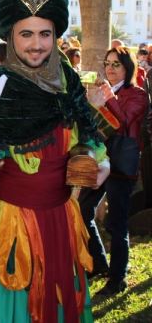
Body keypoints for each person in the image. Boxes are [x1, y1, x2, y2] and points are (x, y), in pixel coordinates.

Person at [0, 0, 110, 321]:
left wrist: (96, 160)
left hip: (61, 221)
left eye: (45, 34)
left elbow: (87, 135)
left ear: (55, 35)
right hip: (11, 227)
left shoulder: (66, 79)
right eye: (26, 34)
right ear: (10, 36)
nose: (36, 45)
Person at [79, 47, 147, 295]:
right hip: (97, 160)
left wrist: (107, 99)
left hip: (120, 164)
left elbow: (125, 122)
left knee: (117, 222)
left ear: (128, 67)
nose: (109, 68)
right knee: (83, 209)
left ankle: (118, 277)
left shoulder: (137, 94)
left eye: (116, 64)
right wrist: (89, 103)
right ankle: (98, 263)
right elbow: (90, 123)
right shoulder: (100, 91)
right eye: (107, 63)